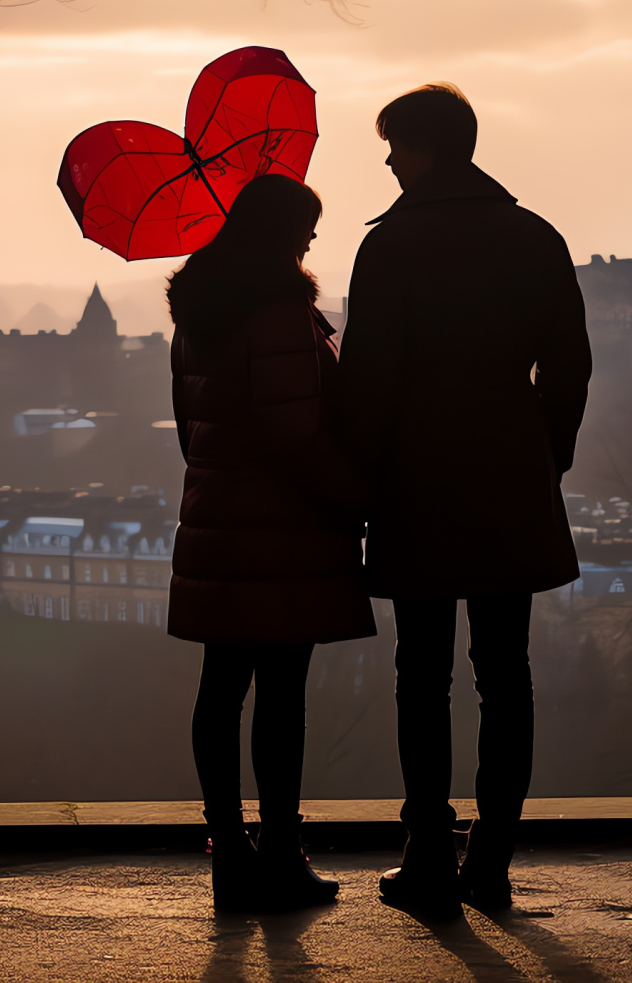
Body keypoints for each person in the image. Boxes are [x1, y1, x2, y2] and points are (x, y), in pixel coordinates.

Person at [340, 83, 592, 918]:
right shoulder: (535, 237)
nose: (385, 161)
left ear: (422, 150)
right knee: (506, 675)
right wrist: (546, 456)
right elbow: (570, 368)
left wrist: (359, 480)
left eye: (393, 146)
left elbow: (369, 380)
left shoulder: (392, 246)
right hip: (508, 477)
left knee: (422, 676)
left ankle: (428, 855)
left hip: (416, 481)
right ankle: (492, 859)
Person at [165, 172, 378, 913]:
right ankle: (282, 854)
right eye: (306, 225)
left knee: (219, 691)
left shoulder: (196, 314)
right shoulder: (281, 315)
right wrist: (361, 500)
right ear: (278, 232)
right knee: (283, 697)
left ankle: (228, 854)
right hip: (284, 530)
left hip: (216, 521)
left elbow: (193, 431)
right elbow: (298, 437)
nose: (313, 238)